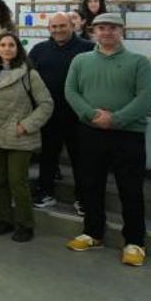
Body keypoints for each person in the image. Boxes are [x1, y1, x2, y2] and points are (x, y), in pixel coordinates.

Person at [65, 13, 151, 266]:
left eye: (112, 28)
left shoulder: (139, 62)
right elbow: (71, 91)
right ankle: (93, 233)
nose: (106, 32)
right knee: (90, 185)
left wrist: (115, 119)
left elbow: (146, 97)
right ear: (93, 31)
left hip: (128, 134)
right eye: (101, 28)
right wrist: (91, 114)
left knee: (130, 189)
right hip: (90, 131)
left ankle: (135, 241)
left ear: (121, 31)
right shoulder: (80, 60)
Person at [0, 31, 54, 242]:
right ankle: (4, 219)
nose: (6, 48)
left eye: (11, 45)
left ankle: (25, 224)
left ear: (18, 48)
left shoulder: (29, 74)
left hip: (19, 135)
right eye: (2, 45)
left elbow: (46, 104)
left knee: (17, 181)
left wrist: (27, 125)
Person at [29, 12, 95, 213]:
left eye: (62, 26)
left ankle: (83, 199)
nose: (58, 30)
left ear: (72, 25)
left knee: (81, 160)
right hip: (49, 114)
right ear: (49, 29)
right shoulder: (39, 50)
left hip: (78, 115)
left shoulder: (88, 48)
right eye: (54, 27)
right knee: (48, 157)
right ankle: (45, 193)